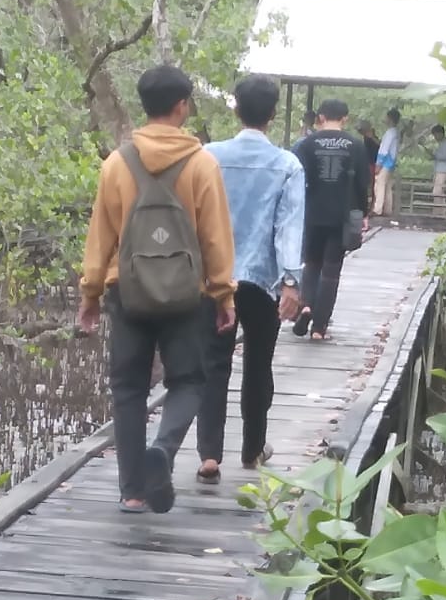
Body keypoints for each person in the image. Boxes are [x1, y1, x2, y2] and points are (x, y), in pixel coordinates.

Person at [78, 64, 236, 515]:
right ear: (182, 106)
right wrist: (224, 295)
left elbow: (100, 239)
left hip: (127, 293)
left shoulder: (116, 164)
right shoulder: (203, 164)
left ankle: (132, 491)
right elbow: (215, 237)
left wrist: (90, 295)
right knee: (188, 381)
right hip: (188, 297)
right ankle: (163, 451)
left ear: (144, 106)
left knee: (128, 388)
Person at [195, 75, 305, 483]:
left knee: (213, 363)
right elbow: (288, 227)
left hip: (213, 278)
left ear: (235, 109)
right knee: (258, 362)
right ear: (274, 114)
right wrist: (291, 282)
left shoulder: (207, 157)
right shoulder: (287, 165)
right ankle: (253, 447)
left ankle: (209, 453)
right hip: (262, 281)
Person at [293, 97, 370, 342]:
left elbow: (296, 180)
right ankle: (319, 327)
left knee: (311, 263)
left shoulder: (307, 144)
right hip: (343, 215)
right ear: (345, 118)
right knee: (331, 271)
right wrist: (364, 213)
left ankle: (305, 305)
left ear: (321, 118)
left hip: (312, 213)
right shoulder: (356, 145)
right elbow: (362, 184)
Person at [374, 107, 401, 218]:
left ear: (390, 118)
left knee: (379, 184)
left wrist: (379, 163)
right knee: (387, 186)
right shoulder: (396, 132)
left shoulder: (390, 133)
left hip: (385, 162)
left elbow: (384, 149)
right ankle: (387, 209)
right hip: (391, 162)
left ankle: (377, 209)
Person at [430, 124, 446, 203]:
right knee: (440, 191)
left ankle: (437, 210)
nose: (435, 137)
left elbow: (445, 156)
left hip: (443, 170)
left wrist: (435, 155)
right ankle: (441, 211)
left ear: (440, 133)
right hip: (439, 169)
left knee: (437, 191)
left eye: (435, 135)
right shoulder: (442, 143)